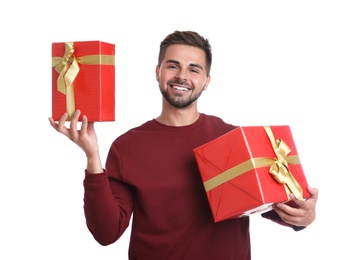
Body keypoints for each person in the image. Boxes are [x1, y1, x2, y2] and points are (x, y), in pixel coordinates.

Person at [49, 30, 318, 260]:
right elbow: (106, 234)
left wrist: (302, 218)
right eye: (173, 65)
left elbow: (266, 203)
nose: (182, 76)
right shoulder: (127, 146)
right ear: (158, 72)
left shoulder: (233, 139)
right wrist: (92, 156)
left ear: (206, 81)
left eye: (194, 69)